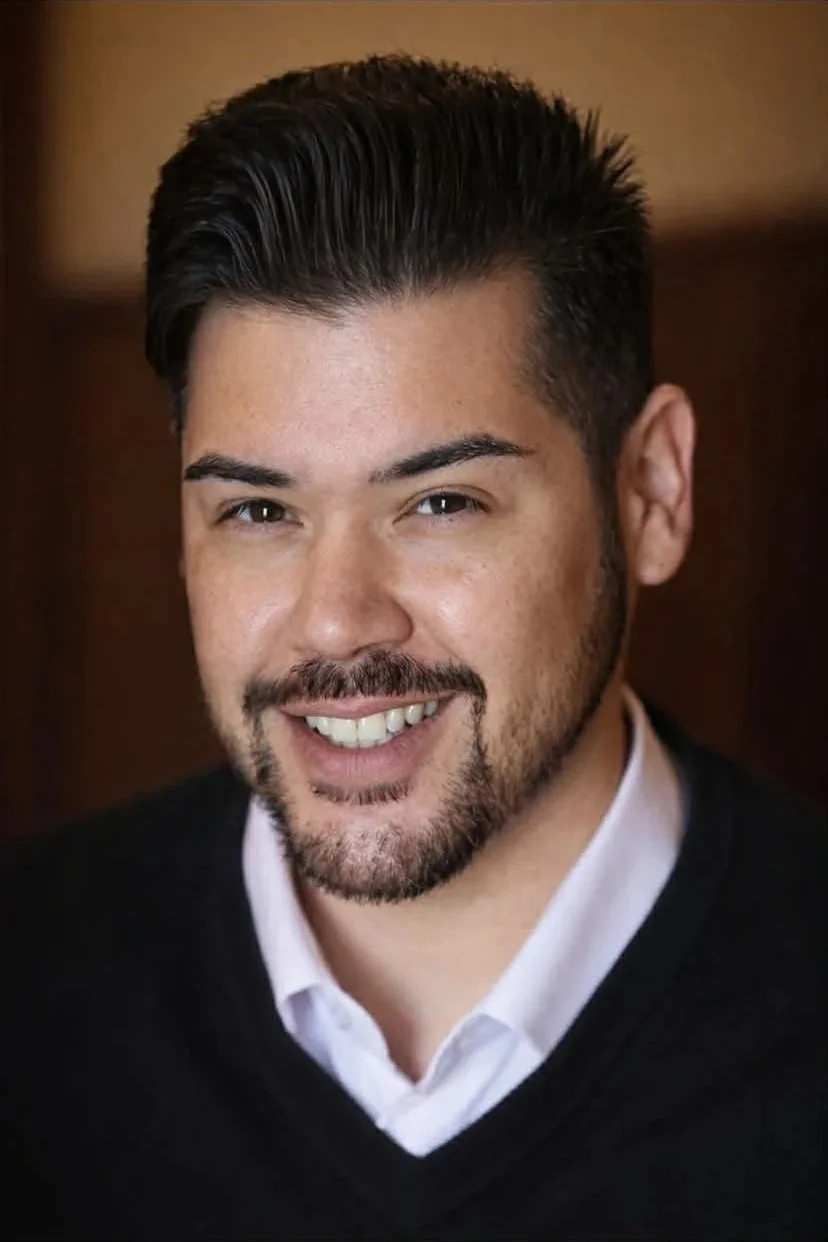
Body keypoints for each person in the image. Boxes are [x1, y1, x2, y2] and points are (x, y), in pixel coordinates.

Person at [1, 54, 825, 1241]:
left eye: (441, 503)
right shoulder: (29, 990)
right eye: (259, 511)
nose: (337, 619)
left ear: (651, 490)